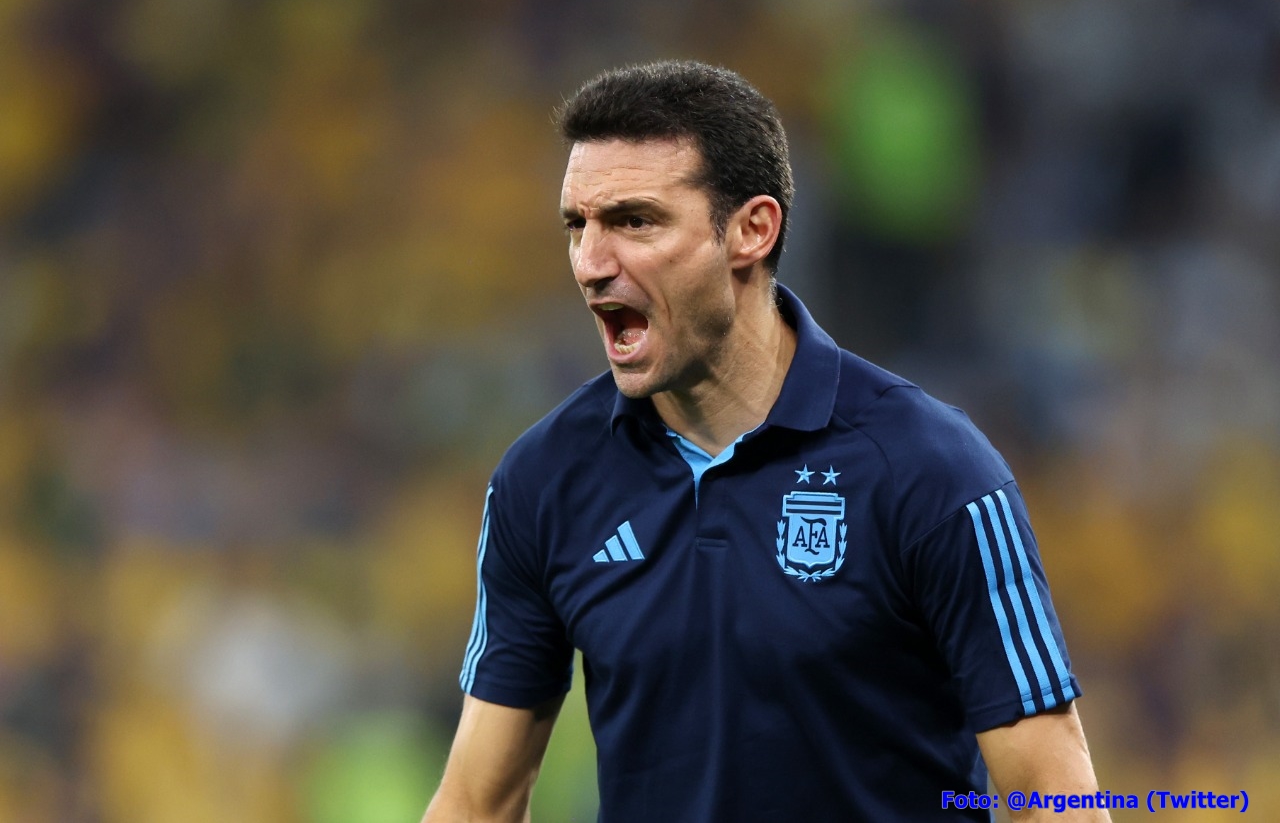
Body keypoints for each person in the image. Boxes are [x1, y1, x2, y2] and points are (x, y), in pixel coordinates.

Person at [422, 60, 1109, 822]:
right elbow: (477, 803)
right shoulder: (544, 482)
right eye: (577, 225)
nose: (590, 263)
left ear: (752, 230)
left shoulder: (930, 471)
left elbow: (1052, 793)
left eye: (634, 221)